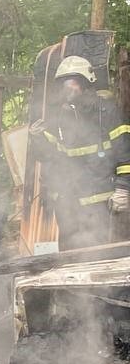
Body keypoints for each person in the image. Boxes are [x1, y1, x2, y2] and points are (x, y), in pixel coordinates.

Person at [33, 55, 130, 249]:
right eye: (64, 84)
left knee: (98, 259)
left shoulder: (107, 112)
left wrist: (123, 189)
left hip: (101, 206)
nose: (68, 89)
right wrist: (38, 138)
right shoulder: (61, 117)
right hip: (69, 205)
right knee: (68, 261)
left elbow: (125, 153)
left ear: (86, 83)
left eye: (72, 82)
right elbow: (51, 156)